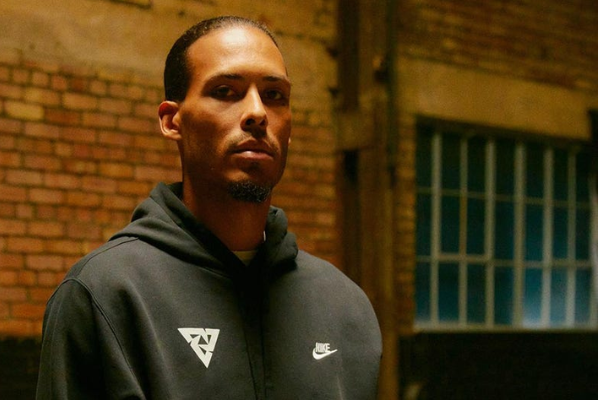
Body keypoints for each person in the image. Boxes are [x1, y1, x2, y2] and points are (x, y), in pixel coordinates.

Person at [36, 16, 381, 399]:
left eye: (274, 95)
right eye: (225, 91)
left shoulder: (345, 306)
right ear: (172, 121)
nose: (257, 113)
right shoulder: (106, 295)